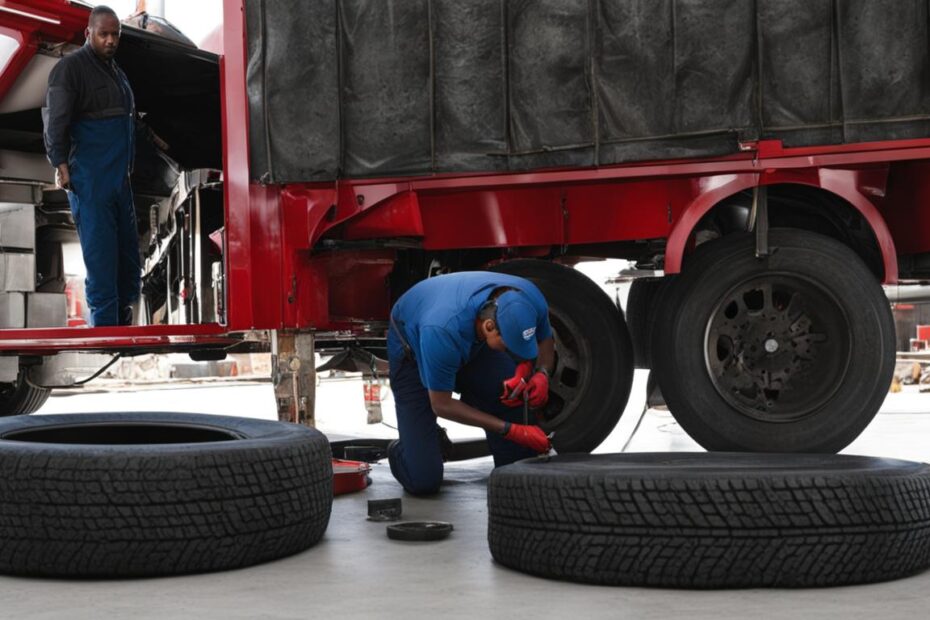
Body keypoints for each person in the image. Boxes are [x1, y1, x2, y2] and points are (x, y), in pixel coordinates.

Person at [42, 6, 163, 327]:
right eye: (104, 34)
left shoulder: (116, 72)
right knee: (100, 257)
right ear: (89, 33)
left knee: (127, 258)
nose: (110, 41)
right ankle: (106, 330)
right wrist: (60, 162)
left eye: (115, 35)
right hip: (90, 179)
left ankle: (122, 327)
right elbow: (56, 120)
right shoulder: (71, 69)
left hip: (120, 179)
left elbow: (127, 120)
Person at [387, 271, 555, 495]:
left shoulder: (529, 297)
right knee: (423, 481)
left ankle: (508, 476)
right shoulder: (441, 329)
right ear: (489, 327)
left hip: (467, 340)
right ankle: (407, 447)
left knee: (511, 400)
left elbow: (545, 339)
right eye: (508, 346)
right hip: (412, 349)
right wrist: (510, 430)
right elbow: (442, 404)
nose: (512, 353)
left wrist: (541, 373)